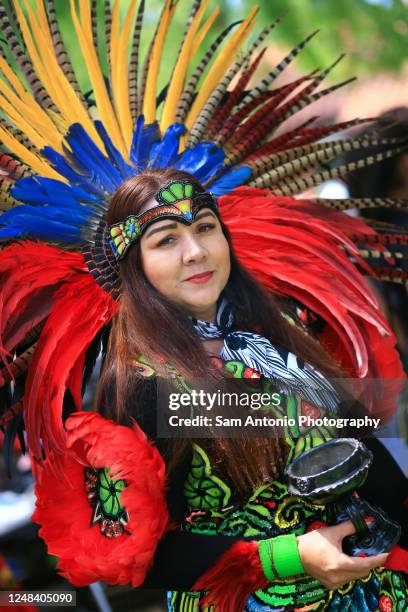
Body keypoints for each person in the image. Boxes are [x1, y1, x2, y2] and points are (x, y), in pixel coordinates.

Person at [0, 1, 406, 611]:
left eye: (206, 228)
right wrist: (295, 556)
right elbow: (132, 560)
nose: (196, 251)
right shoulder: (138, 383)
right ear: (132, 268)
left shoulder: (281, 336)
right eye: (166, 240)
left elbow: (374, 464)